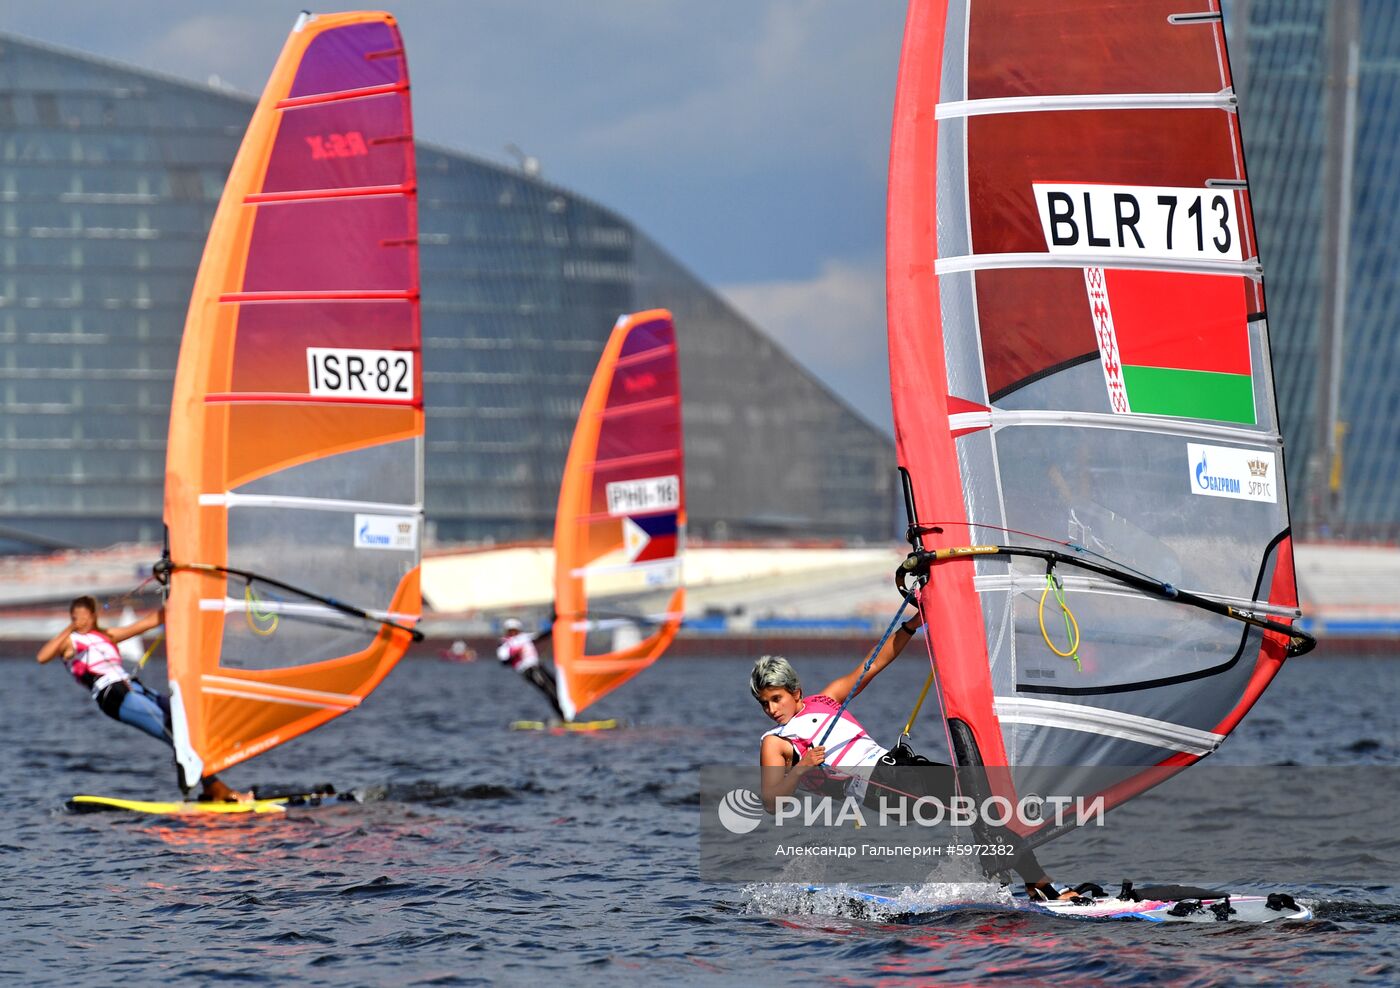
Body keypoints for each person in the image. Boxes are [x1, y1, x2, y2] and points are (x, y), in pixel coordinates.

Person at [752, 617, 1077, 901]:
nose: (771, 710)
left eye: (776, 699)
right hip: (879, 787)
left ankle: (1002, 883)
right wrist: (802, 768)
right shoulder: (776, 742)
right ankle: (1034, 884)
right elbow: (771, 801)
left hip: (896, 768)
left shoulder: (825, 700)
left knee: (981, 792)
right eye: (764, 704)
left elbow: (875, 663)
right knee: (978, 797)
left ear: (796, 692)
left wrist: (912, 624)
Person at [37, 595, 244, 802]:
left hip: (134, 688)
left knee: (187, 718)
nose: (80, 622)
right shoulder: (70, 642)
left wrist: (175, 599)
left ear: (93, 616)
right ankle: (215, 788)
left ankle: (205, 782)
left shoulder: (107, 635)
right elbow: (42, 657)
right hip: (113, 696)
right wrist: (69, 628)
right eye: (75, 618)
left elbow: (147, 623)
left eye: (83, 617)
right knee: (175, 732)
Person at [496, 617, 565, 720]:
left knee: (558, 688)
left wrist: (556, 624)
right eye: (511, 630)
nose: (513, 632)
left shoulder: (524, 637)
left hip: (538, 667)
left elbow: (541, 636)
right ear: (507, 631)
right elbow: (504, 662)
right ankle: (563, 717)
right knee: (550, 690)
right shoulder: (505, 645)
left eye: (515, 630)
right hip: (529, 670)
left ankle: (566, 713)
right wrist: (515, 655)